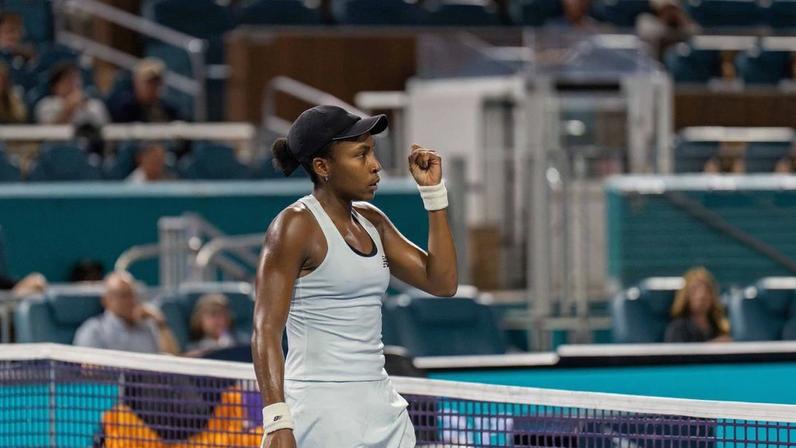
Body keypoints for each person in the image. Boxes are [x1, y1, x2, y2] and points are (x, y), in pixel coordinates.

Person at [253, 105, 457, 448]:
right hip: (319, 415)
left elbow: (442, 282)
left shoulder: (373, 220)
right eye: (360, 154)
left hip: (383, 410)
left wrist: (433, 195)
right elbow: (265, 330)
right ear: (323, 167)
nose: (375, 165)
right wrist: (277, 420)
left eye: (372, 152)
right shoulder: (294, 226)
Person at [73, 271, 179, 354]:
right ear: (106, 300)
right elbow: (90, 372)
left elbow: (173, 361)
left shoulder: (148, 326)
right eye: (124, 296)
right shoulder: (93, 331)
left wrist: (160, 323)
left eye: (133, 295)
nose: (131, 301)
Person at [664, 267, 732, 343]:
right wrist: (711, 347)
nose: (701, 296)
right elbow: (677, 353)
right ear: (686, 296)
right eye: (695, 290)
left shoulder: (720, 326)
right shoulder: (677, 328)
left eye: (707, 290)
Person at [35, 62, 109, 127]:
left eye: (75, 79)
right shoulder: (46, 105)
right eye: (67, 81)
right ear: (56, 86)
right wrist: (68, 109)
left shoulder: (95, 105)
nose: (72, 85)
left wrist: (84, 106)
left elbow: (106, 133)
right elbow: (47, 132)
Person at [108, 58, 180, 123]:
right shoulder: (122, 108)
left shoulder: (168, 109)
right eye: (149, 82)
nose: (154, 86)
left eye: (156, 81)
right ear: (136, 82)